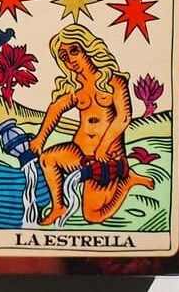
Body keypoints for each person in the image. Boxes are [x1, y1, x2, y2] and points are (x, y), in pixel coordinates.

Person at [29, 24, 154, 225]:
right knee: (47, 159)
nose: (70, 60)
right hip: (79, 153)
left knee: (92, 216)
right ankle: (58, 206)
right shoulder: (75, 87)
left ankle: (127, 183)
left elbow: (123, 117)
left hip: (108, 156)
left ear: (88, 48)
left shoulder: (114, 81)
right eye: (64, 56)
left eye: (74, 51)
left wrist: (103, 147)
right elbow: (55, 108)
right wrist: (40, 138)